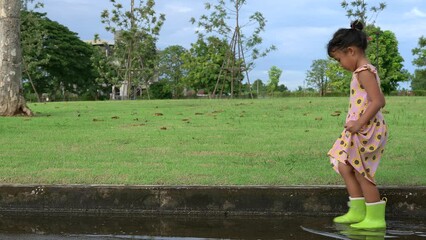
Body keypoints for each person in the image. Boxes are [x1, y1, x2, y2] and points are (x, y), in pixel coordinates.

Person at [327, 20, 388, 230]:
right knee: (344, 165)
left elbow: (378, 101)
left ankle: (375, 217)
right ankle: (357, 210)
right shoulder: (359, 71)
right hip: (358, 128)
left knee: (362, 172)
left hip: (367, 129)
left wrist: (359, 122)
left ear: (351, 51)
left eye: (339, 59)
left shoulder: (364, 71)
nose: (340, 64)